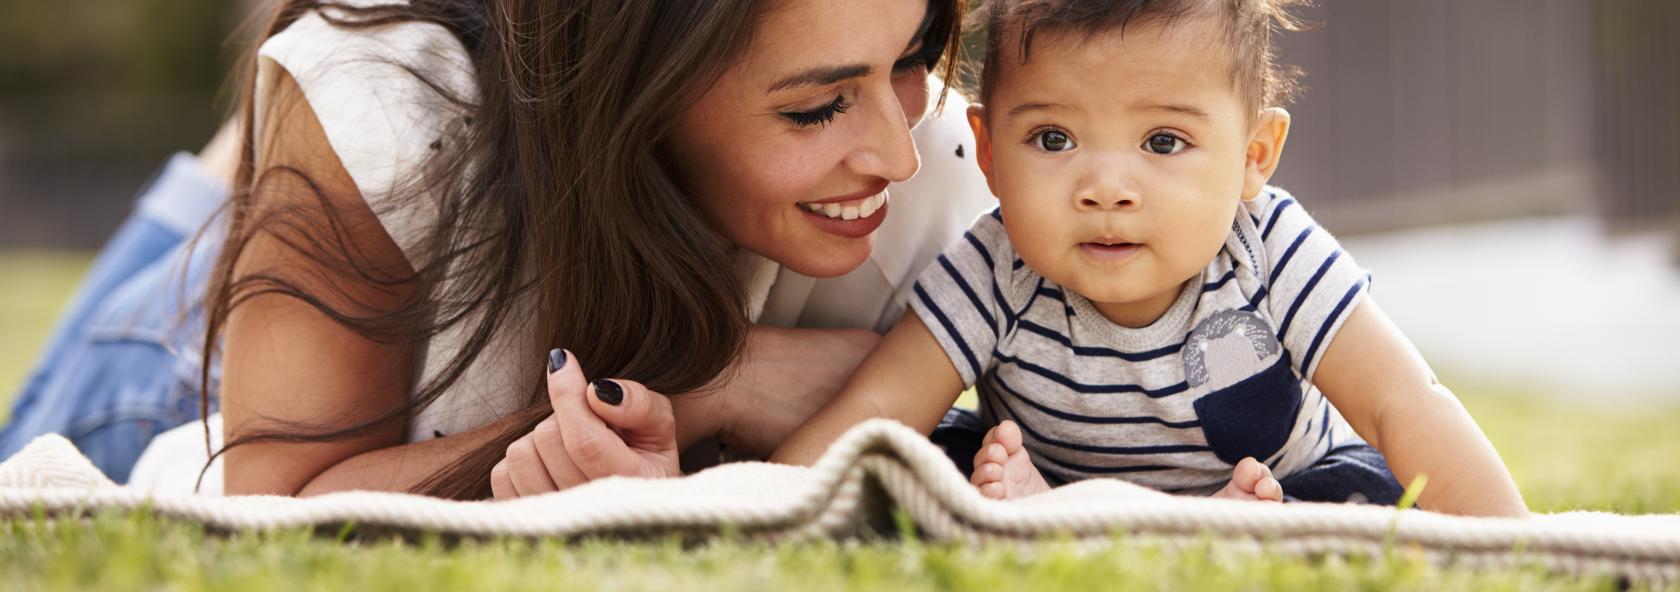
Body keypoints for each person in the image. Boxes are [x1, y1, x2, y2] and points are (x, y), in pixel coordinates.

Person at [1, 0, 998, 500]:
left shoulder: (950, 163)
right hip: (180, 389)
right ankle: (231, 174)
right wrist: (715, 382)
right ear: (638, 87)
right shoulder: (387, 111)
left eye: (912, 56)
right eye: (817, 105)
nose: (893, 153)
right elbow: (272, 507)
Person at [770, 0, 1530, 517]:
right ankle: (1057, 511)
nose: (1105, 189)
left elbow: (1405, 401)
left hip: (1280, 486)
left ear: (1252, 159)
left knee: (1374, 488)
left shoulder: (1266, 249)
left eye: (1163, 143)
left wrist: (1519, 546)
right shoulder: (996, 265)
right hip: (1051, 473)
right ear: (991, 152)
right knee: (917, 457)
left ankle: (1241, 528)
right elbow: (875, 409)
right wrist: (751, 510)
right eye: (1054, 140)